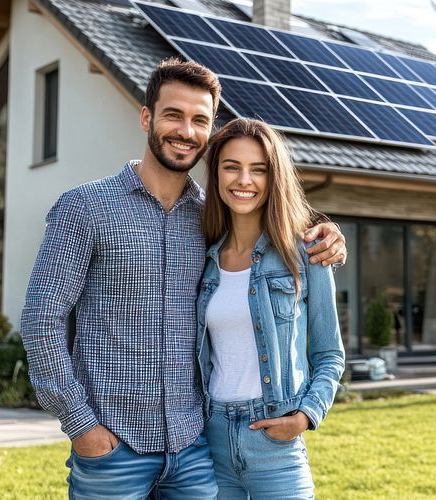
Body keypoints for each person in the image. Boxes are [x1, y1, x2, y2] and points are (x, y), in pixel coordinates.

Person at [20, 58, 346, 500]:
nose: (186, 131)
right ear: (146, 117)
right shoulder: (85, 208)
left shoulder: (209, 221)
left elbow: (270, 238)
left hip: (194, 449)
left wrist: (328, 234)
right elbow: (42, 320)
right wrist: (82, 426)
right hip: (112, 447)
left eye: (200, 120)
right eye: (174, 115)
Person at [197, 118, 346, 499]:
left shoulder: (305, 253)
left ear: (273, 177)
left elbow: (329, 353)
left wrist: (307, 415)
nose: (244, 180)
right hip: (210, 439)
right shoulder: (203, 254)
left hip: (275, 442)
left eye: (258, 170)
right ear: (215, 176)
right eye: (231, 167)